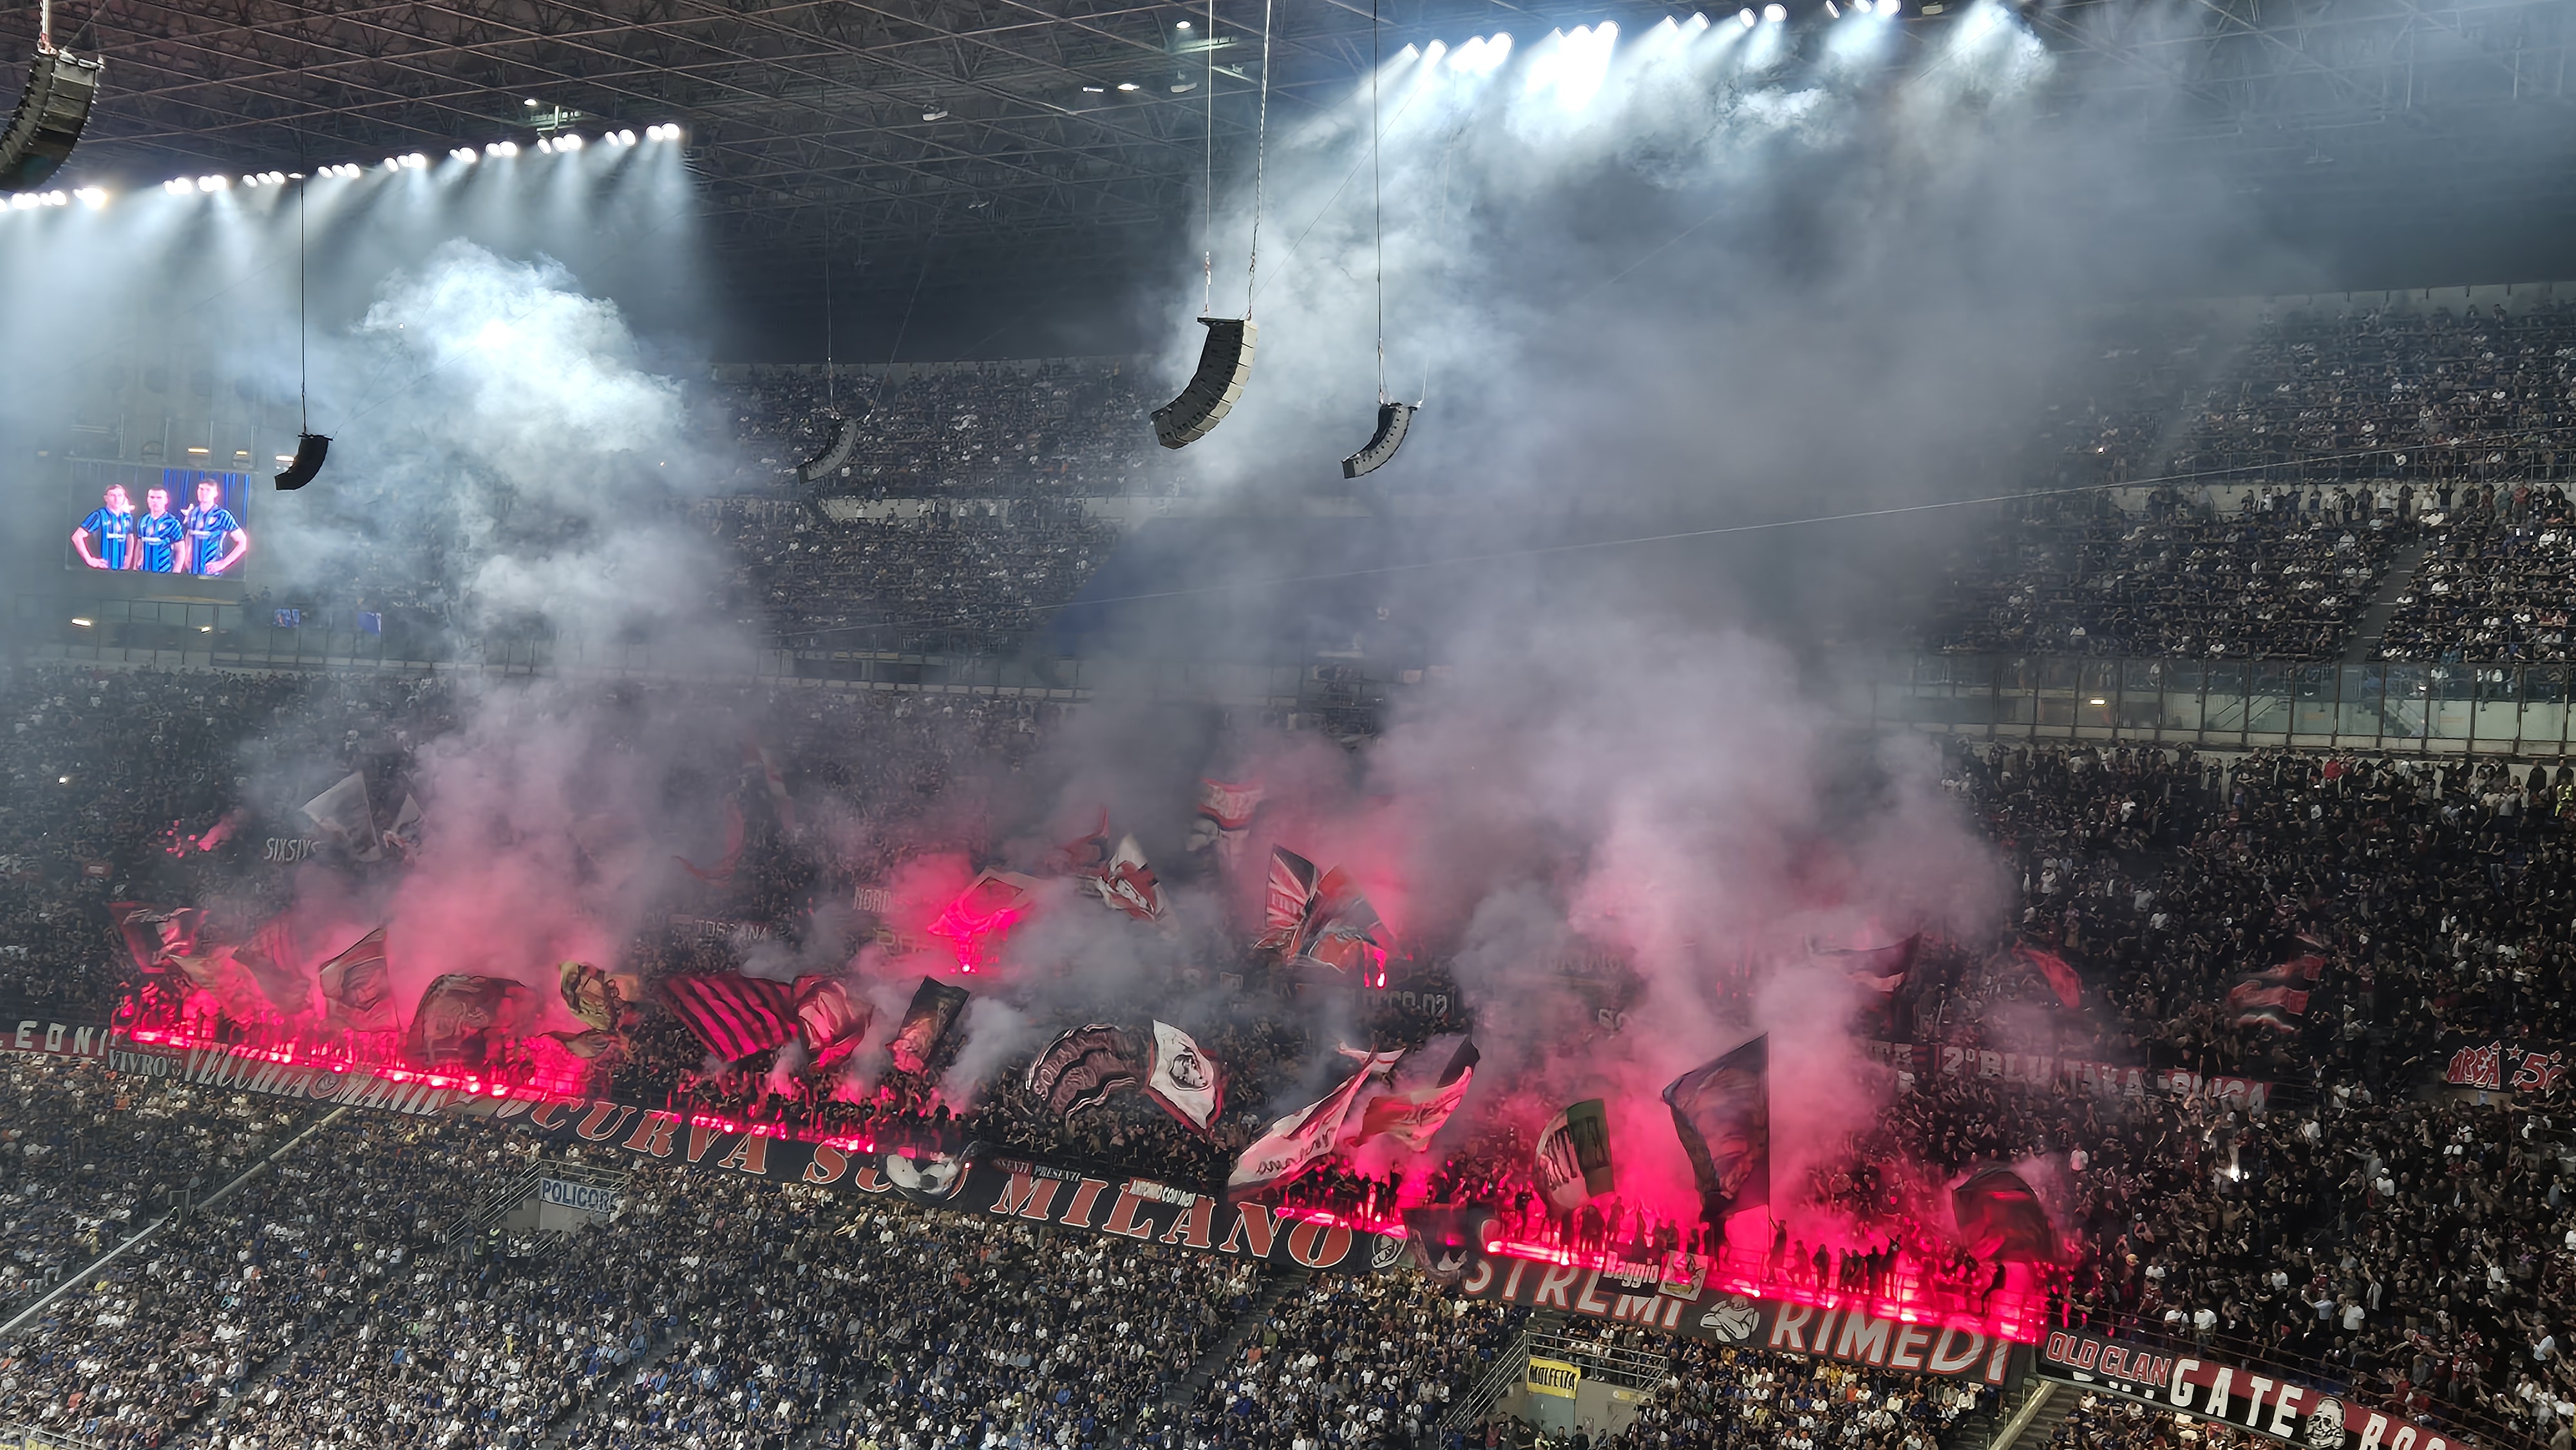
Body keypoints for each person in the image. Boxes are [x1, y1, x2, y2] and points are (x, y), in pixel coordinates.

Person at [180, 476, 249, 576]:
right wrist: (187, 556)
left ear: (216, 493)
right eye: (201, 489)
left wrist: (223, 563)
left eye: (208, 490)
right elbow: (189, 535)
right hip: (192, 572)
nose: (204, 493)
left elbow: (243, 542)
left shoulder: (222, 515)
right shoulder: (192, 513)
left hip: (212, 573)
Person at [72, 482, 138, 570]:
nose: (117, 499)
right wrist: (89, 560)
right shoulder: (98, 516)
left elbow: (130, 536)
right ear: (106, 498)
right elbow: (77, 536)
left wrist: (129, 556)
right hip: (102, 569)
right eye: (113, 496)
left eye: (120, 496)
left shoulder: (127, 518)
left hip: (121, 569)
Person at [133, 484, 184, 573]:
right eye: (152, 497)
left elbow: (180, 550)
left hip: (165, 572)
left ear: (166, 500)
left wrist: (176, 572)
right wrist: (135, 567)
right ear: (147, 499)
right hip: (144, 572)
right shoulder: (143, 520)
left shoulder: (172, 522)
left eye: (159, 498)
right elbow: (140, 546)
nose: (155, 501)